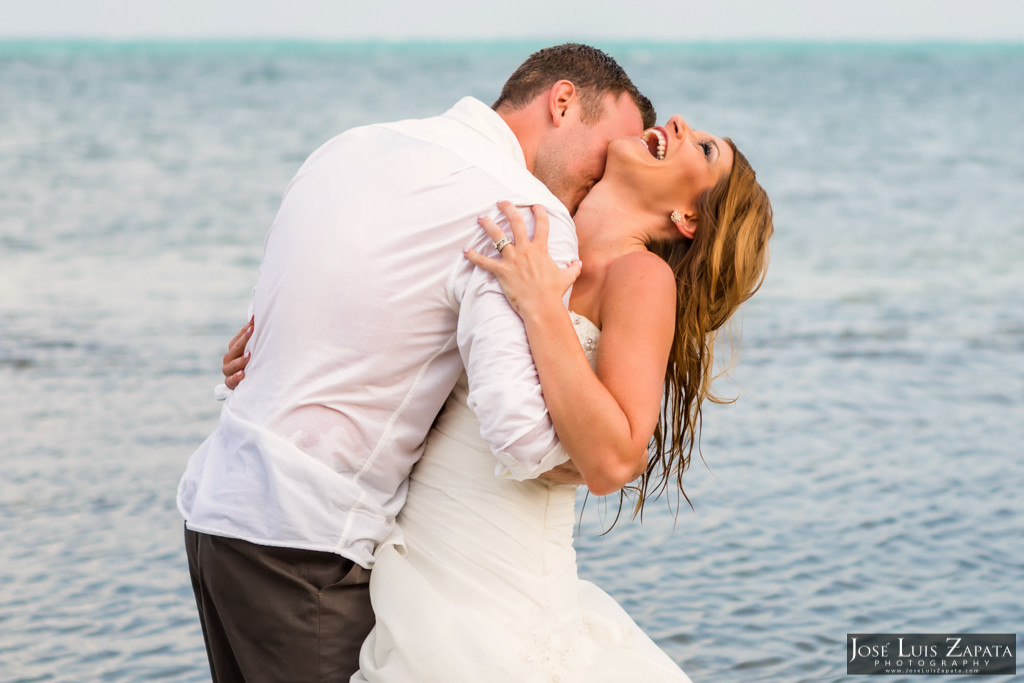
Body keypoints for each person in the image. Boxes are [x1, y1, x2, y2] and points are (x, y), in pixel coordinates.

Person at [225, 117, 774, 680]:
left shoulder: (640, 276)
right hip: (415, 570)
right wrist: (274, 360)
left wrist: (540, 305)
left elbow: (615, 460)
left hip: (498, 588)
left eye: (705, 149)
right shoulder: (532, 237)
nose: (680, 123)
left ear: (686, 218)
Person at [178, 43, 655, 682]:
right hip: (310, 545)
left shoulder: (351, 146)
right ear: (563, 102)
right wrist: (603, 457)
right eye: (604, 156)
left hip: (217, 510)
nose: (598, 181)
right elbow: (518, 437)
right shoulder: (521, 213)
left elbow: (267, 326)